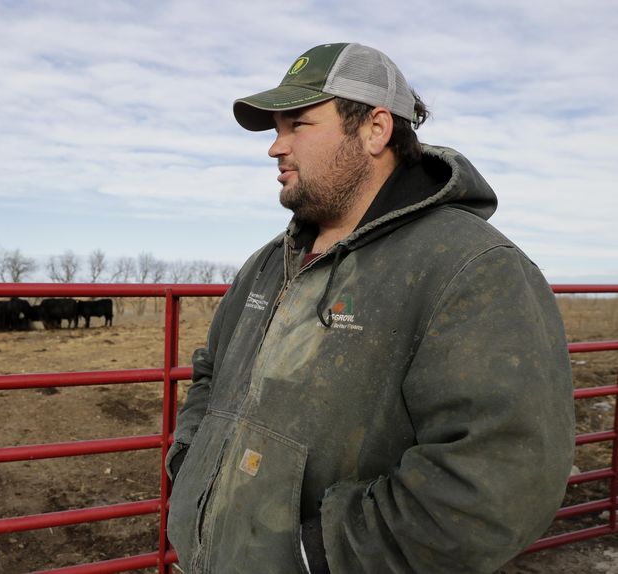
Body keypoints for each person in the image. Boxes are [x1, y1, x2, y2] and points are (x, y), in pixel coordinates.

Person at [165, 42, 575, 574]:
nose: (275, 147)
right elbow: (210, 373)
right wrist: (190, 462)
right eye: (274, 130)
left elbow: (497, 476)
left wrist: (318, 555)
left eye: (297, 125)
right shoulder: (269, 262)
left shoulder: (470, 268)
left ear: (376, 129)